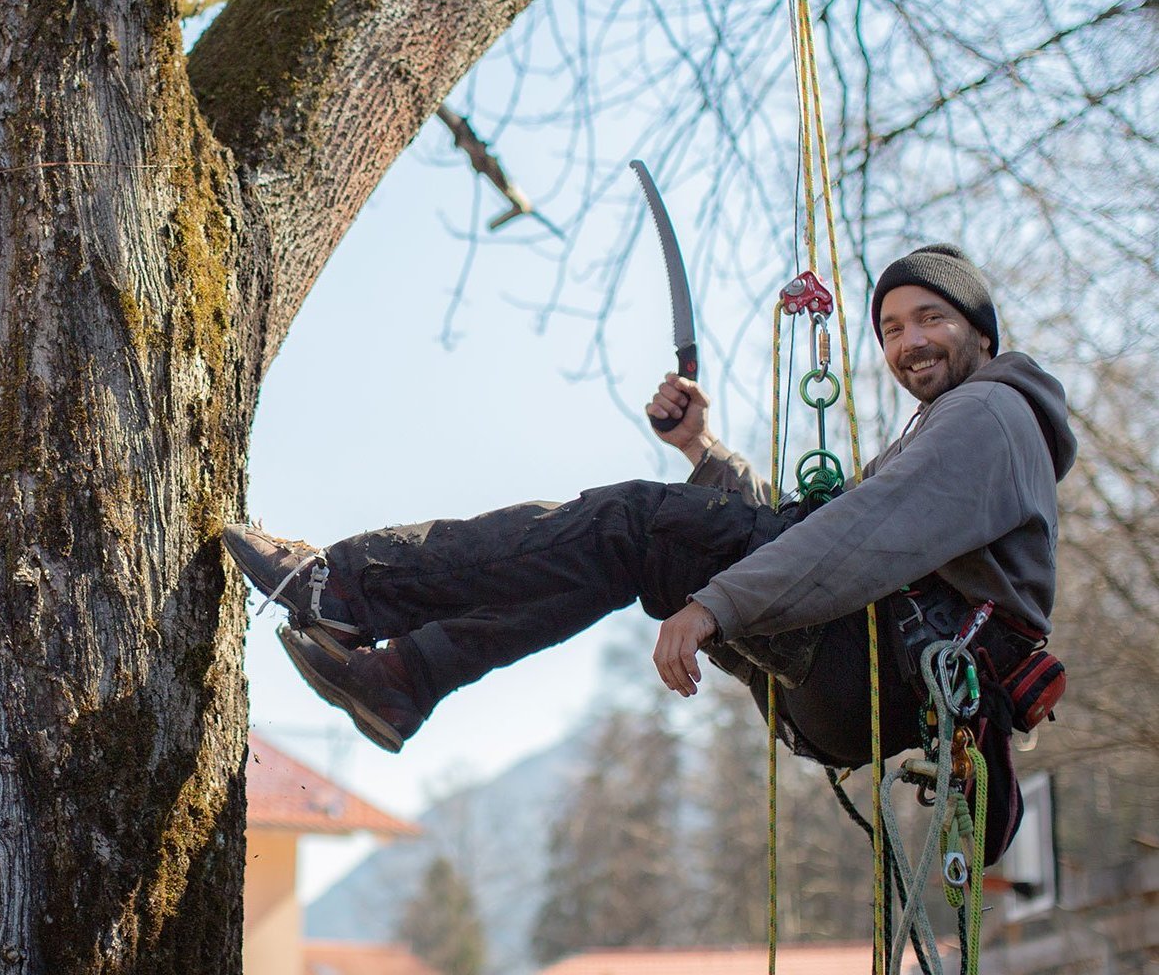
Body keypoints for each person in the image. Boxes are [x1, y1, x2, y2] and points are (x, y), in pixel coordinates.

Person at [227, 245, 1075, 853]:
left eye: (931, 318)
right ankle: (409, 676)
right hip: (869, 681)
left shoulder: (989, 415)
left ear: (981, 331)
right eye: (891, 329)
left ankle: (342, 589)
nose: (909, 342)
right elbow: (820, 539)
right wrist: (703, 456)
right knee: (629, 549)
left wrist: (717, 606)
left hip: (878, 668)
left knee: (630, 526)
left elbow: (851, 542)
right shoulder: (959, 427)